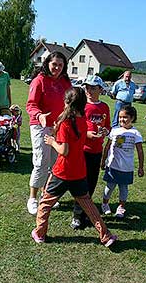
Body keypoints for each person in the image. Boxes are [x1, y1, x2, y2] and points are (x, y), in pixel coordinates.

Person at [31, 87, 117, 247]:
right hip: (79, 172)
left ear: (66, 102)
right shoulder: (83, 121)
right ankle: (106, 236)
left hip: (62, 172)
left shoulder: (65, 123)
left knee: (44, 203)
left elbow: (64, 150)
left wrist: (51, 142)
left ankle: (40, 233)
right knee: (88, 205)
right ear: (83, 104)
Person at [26, 51, 71, 215]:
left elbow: (70, 102)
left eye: (60, 65)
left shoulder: (65, 81)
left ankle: (48, 195)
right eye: (54, 64)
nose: (57, 68)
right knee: (41, 162)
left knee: (55, 163)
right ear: (47, 64)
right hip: (40, 126)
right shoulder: (39, 81)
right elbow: (30, 105)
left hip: (58, 127)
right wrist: (40, 115)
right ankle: (32, 198)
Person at [71, 75, 111, 229]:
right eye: (87, 87)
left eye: (93, 88)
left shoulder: (104, 107)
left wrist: (104, 131)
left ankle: (86, 213)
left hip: (96, 151)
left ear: (100, 89)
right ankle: (76, 215)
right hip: (82, 151)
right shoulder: (81, 106)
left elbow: (108, 127)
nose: (88, 90)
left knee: (91, 183)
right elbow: (74, 127)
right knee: (81, 184)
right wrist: (86, 134)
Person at [101, 106, 144, 218]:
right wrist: (103, 160)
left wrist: (140, 167)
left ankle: (121, 207)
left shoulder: (136, 133)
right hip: (113, 166)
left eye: (125, 117)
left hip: (126, 167)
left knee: (123, 188)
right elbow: (107, 147)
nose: (122, 120)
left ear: (132, 118)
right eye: (120, 117)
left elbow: (140, 151)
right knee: (110, 186)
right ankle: (105, 204)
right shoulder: (115, 130)